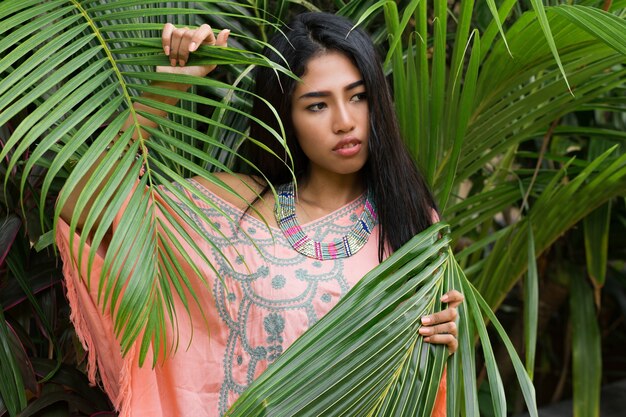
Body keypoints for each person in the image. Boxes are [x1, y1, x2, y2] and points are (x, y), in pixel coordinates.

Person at [57, 12, 463, 417]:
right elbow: (83, 205)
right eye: (317, 105)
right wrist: (168, 87)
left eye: (357, 96)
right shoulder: (234, 208)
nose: (345, 122)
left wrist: (442, 339)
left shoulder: (409, 224)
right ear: (287, 118)